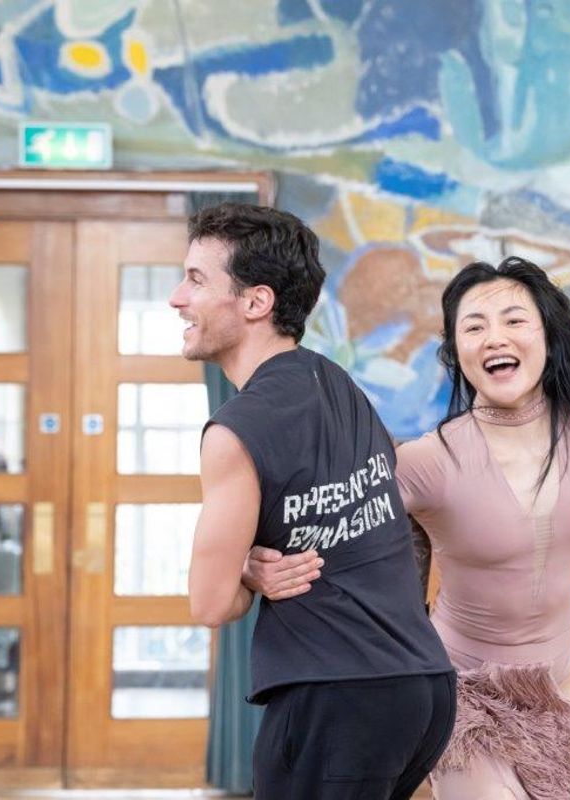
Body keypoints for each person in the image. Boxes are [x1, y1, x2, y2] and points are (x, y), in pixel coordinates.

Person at [247, 256, 570, 798]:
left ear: (547, 335)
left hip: (555, 697)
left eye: (514, 320)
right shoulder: (433, 460)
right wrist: (249, 563)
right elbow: (323, 516)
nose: (495, 337)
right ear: (457, 354)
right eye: (474, 327)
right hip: (462, 693)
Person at [174, 202, 456, 800]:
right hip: (422, 688)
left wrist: (245, 569)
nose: (178, 298)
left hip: (340, 698)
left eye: (197, 279)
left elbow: (209, 602)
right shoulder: (338, 383)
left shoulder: (234, 431)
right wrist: (254, 560)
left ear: (256, 301)